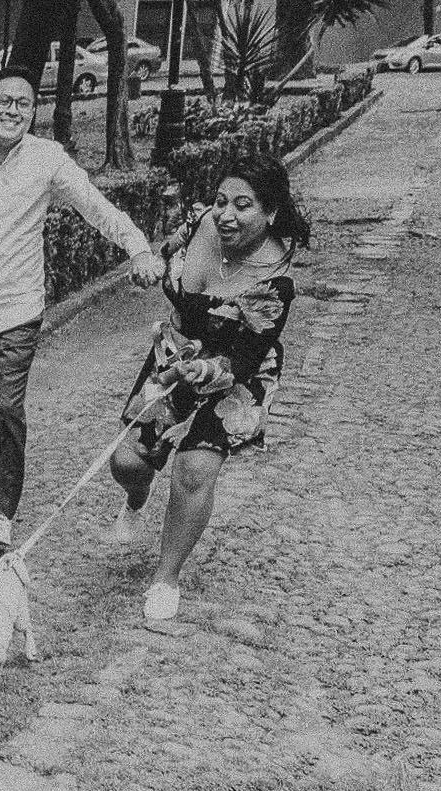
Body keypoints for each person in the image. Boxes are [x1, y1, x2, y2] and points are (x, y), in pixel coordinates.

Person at [0, 67, 166, 556]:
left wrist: (139, 248)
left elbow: (97, 206)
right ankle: (0, 474)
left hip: (19, 309)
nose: (12, 111)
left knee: (6, 405)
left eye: (23, 103)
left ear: (33, 112)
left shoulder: (47, 160)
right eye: (3, 101)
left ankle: (1, 510)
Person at [107, 153, 307, 621]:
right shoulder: (200, 222)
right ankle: (138, 495)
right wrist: (148, 266)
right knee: (126, 461)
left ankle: (166, 576)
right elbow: (164, 258)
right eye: (221, 201)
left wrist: (210, 370)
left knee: (195, 468)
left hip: (238, 370)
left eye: (243, 205)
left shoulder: (274, 283)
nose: (226, 214)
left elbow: (243, 358)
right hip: (175, 354)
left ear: (271, 213)